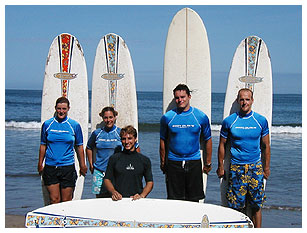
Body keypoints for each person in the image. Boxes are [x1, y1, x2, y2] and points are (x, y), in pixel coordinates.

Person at [216, 88, 271, 228]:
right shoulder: (230, 121)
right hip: (236, 168)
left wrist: (266, 168)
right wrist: (221, 166)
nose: (244, 102)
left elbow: (266, 146)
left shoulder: (260, 121)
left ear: (252, 101)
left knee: (256, 205)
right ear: (238, 101)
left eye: (247, 99)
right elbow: (222, 145)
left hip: (255, 168)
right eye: (241, 99)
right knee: (235, 205)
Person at [159, 84, 212, 202]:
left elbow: (208, 139)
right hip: (173, 162)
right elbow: (163, 140)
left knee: (193, 200)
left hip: (193, 161)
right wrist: (163, 162)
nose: (180, 100)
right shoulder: (167, 117)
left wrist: (208, 162)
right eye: (177, 98)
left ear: (189, 96)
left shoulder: (200, 116)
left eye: (183, 97)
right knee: (174, 201)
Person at [38, 97, 87, 204]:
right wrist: (40, 163)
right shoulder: (47, 124)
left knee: (66, 201)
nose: (61, 111)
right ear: (55, 108)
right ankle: (55, 221)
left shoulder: (74, 125)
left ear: (68, 109)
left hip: (67, 167)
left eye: (64, 109)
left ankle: (65, 221)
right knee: (54, 200)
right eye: (59, 108)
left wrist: (83, 165)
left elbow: (79, 146)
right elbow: (43, 145)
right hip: (51, 167)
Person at [86, 107, 140, 198]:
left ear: (115, 117)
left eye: (111, 117)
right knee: (100, 200)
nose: (108, 120)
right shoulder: (97, 133)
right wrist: (91, 164)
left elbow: (136, 147)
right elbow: (89, 148)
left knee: (117, 198)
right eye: (106, 118)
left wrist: (136, 164)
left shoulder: (120, 133)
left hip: (116, 172)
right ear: (102, 118)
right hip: (99, 171)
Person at [104, 125, 153, 201]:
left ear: (135, 139)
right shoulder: (114, 158)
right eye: (124, 139)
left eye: (130, 138)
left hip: (136, 200)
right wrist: (113, 192)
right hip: (118, 200)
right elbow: (107, 179)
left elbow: (150, 182)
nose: (126, 142)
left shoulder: (144, 160)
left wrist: (142, 195)